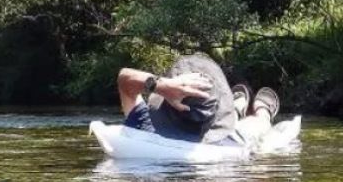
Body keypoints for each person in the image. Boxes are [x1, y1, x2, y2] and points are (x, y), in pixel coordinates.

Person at [117, 52, 280, 147]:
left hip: (213, 128)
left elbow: (123, 78)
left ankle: (237, 105)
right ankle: (255, 108)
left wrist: (161, 85)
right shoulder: (228, 147)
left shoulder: (144, 126)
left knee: (240, 121)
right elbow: (124, 78)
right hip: (227, 137)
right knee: (261, 122)